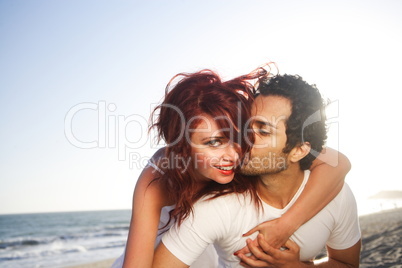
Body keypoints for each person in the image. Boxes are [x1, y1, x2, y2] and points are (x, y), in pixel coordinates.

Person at [113, 68, 350, 268]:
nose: (231, 155)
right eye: (213, 142)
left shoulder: (248, 156)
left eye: (237, 135)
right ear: (182, 146)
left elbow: (338, 163)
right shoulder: (159, 177)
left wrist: (285, 225)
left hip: (209, 245)